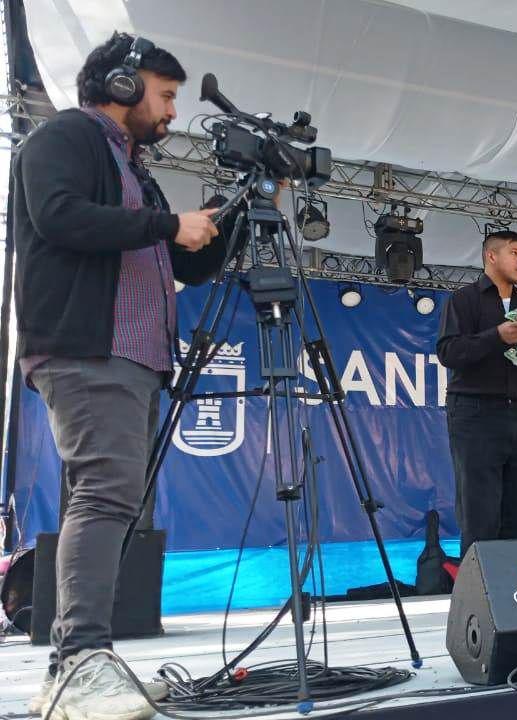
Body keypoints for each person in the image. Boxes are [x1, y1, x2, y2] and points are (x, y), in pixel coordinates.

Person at [13, 32, 225, 720]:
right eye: (165, 96)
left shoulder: (134, 168)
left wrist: (232, 220)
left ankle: (74, 668)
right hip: (87, 347)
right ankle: (80, 661)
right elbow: (59, 215)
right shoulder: (67, 137)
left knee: (108, 499)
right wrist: (166, 224)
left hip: (130, 356)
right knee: (105, 495)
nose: (170, 112)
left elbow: (186, 265)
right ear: (126, 86)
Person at [437, 229, 517, 557]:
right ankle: (478, 600)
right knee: (480, 512)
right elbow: (449, 352)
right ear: (492, 256)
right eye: (514, 252)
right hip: (474, 411)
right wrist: (496, 336)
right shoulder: (464, 300)